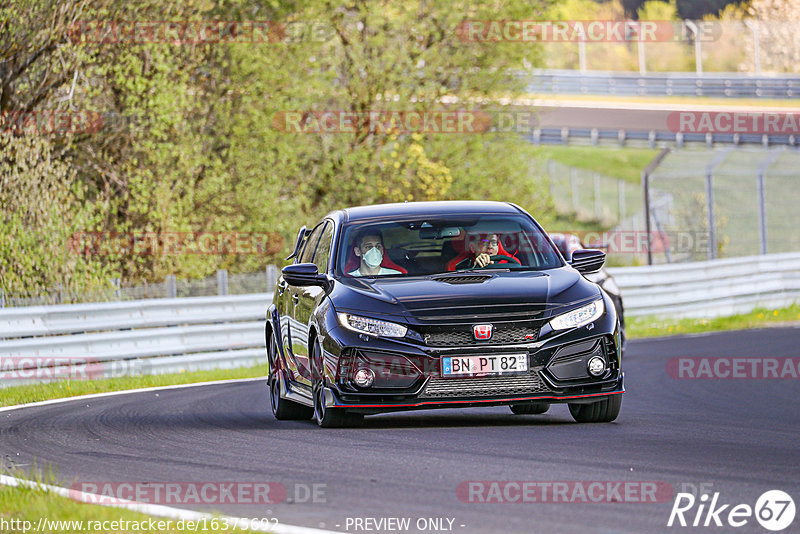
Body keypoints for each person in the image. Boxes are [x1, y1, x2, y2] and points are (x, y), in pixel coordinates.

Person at [451, 232, 521, 270]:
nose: (490, 246)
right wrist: (474, 269)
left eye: (494, 243)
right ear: (472, 247)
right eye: (484, 242)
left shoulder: (511, 263)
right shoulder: (461, 266)